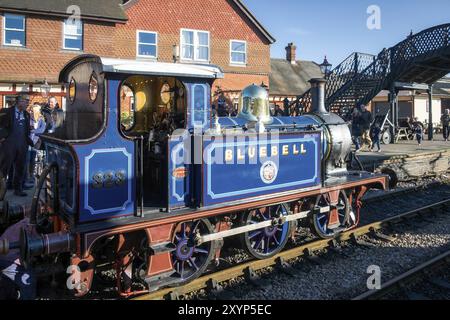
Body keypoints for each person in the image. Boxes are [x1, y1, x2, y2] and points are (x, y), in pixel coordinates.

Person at [0, 94, 33, 197]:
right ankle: (2, 190)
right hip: (8, 144)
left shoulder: (27, 115)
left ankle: (18, 189)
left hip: (22, 145)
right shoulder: (6, 111)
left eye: (28, 101)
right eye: (25, 100)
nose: (28, 103)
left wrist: (30, 142)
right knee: (4, 168)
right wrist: (2, 138)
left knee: (20, 168)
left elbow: (27, 131)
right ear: (18, 101)